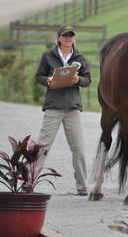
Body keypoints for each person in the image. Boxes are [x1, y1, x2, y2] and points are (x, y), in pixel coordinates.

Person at [35, 24, 92, 196]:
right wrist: (48, 80)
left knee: (79, 150)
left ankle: (82, 187)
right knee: (42, 147)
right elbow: (39, 76)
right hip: (53, 107)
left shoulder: (80, 58)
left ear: (74, 38)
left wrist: (77, 80)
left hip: (73, 108)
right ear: (58, 38)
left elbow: (88, 80)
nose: (68, 38)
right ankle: (30, 182)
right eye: (65, 35)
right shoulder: (48, 56)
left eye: (71, 35)